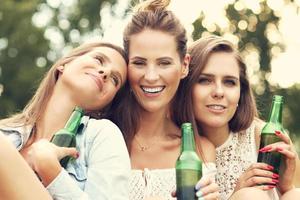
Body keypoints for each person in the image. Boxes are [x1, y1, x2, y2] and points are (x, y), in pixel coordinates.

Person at [108, 0, 219, 199]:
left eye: (164, 63)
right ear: (126, 64)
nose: (151, 76)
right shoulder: (100, 136)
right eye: (139, 63)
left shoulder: (200, 151)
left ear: (184, 65)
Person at [174, 35, 300, 200]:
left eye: (229, 82)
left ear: (241, 93)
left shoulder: (263, 136)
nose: (219, 92)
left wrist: (286, 188)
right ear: (186, 86)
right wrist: (237, 194)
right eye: (205, 80)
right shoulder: (175, 148)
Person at [0, 42, 131, 200]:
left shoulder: (103, 136)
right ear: (64, 64)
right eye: (98, 60)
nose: (105, 72)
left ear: (106, 103)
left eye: (115, 79)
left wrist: (52, 171)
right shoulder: (4, 132)